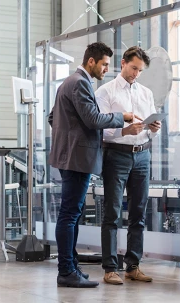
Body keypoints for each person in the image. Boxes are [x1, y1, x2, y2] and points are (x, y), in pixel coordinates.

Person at [48, 42, 140, 288]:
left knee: (73, 215)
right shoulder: (80, 82)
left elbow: (52, 117)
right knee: (69, 215)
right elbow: (92, 119)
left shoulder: (70, 82)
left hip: (72, 156)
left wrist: (68, 135)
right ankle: (66, 271)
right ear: (91, 62)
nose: (106, 69)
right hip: (76, 159)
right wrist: (124, 117)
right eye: (105, 64)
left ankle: (71, 266)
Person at [95, 46, 161, 285]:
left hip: (142, 155)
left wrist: (153, 128)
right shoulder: (105, 92)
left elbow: (150, 122)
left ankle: (133, 266)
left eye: (140, 70)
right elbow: (100, 129)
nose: (136, 74)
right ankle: (110, 268)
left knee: (138, 214)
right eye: (133, 68)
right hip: (117, 155)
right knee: (112, 213)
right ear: (122, 63)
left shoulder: (146, 93)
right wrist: (124, 130)